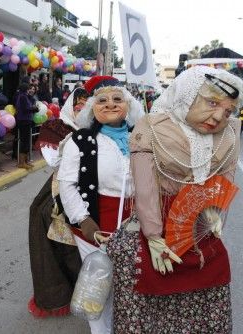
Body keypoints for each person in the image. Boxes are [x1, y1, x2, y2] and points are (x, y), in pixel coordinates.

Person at [125, 66, 243, 333]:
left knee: (210, 285)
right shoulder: (152, 125)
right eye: (212, 103)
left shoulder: (230, 131)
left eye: (227, 111)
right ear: (187, 95)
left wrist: (213, 213)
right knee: (153, 283)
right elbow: (144, 188)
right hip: (156, 219)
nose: (218, 117)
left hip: (200, 226)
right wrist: (154, 236)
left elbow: (225, 176)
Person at [57, 76, 144, 333]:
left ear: (129, 105)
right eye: (102, 100)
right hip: (95, 228)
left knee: (126, 289)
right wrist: (85, 221)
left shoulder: (141, 138)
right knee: (97, 289)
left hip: (134, 227)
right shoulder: (80, 141)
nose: (110, 104)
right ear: (91, 107)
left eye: (118, 99)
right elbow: (67, 185)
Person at [27, 87, 88, 318]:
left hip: (94, 185)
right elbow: (55, 162)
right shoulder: (58, 127)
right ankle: (60, 291)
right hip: (64, 183)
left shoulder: (103, 125)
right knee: (44, 217)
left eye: (86, 104)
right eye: (78, 105)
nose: (82, 109)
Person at [15, 83, 39, 169]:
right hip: (23, 121)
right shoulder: (23, 96)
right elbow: (26, 109)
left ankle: (25, 161)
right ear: (26, 89)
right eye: (29, 88)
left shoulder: (24, 96)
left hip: (26, 121)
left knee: (27, 141)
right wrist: (35, 109)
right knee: (24, 141)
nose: (30, 90)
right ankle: (22, 162)